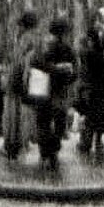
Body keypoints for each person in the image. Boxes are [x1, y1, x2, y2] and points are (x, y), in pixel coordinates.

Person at [31, 14, 77, 174]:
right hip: (59, 92)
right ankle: (53, 152)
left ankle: (45, 153)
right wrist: (63, 71)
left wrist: (52, 69)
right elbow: (75, 71)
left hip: (44, 90)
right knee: (58, 122)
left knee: (43, 122)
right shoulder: (68, 49)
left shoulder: (45, 47)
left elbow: (36, 63)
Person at [1, 10, 41, 162]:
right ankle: (20, 142)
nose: (19, 28)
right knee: (22, 113)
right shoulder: (36, 39)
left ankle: (13, 143)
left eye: (21, 25)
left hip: (18, 79)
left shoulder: (25, 39)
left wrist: (12, 74)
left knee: (14, 113)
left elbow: (18, 60)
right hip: (26, 79)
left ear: (25, 25)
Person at [77, 7, 104, 159]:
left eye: (102, 21)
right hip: (94, 85)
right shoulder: (91, 44)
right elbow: (98, 61)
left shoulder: (97, 41)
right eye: (97, 21)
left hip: (94, 85)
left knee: (92, 115)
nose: (99, 24)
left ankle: (90, 142)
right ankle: (90, 141)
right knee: (93, 116)